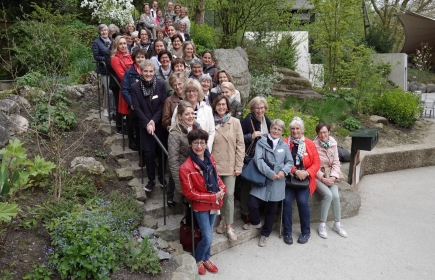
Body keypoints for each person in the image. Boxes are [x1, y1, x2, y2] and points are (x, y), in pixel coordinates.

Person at [179, 129, 226, 275]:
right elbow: (190, 193)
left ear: (206, 143)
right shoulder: (185, 168)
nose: (199, 146)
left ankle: (206, 258)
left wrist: (223, 188)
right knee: (207, 236)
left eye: (202, 142)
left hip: (214, 203)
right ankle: (198, 259)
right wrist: (212, 197)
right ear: (190, 144)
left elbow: (216, 177)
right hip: (201, 206)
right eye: (195, 142)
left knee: (209, 233)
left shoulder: (210, 158)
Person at [242, 119, 293, 247]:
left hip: (278, 182)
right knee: (252, 204)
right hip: (263, 178)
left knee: (272, 210)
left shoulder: (284, 145)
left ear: (282, 132)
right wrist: (270, 173)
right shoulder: (261, 142)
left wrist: (283, 172)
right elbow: (257, 160)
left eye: (279, 129)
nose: (276, 131)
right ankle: (256, 222)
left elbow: (290, 162)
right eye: (274, 128)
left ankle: (265, 235)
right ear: (270, 129)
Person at [130, 59, 168, 192]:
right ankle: (151, 180)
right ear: (141, 71)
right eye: (145, 71)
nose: (148, 74)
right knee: (149, 153)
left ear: (154, 71)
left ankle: (162, 177)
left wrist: (154, 121)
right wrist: (147, 123)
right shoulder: (135, 87)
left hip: (159, 125)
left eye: (151, 71)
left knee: (161, 152)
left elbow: (163, 104)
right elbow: (137, 107)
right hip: (145, 125)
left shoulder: (161, 85)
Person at [211, 95, 245, 242]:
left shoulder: (235, 122)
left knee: (229, 194)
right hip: (215, 165)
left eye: (224, 104)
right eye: (218, 105)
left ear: (228, 106)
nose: (221, 107)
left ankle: (229, 227)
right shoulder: (211, 122)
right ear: (215, 106)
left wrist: (239, 165)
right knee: (219, 195)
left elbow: (241, 145)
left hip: (230, 165)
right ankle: (222, 220)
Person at [282, 117, 320, 245]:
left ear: (302, 130)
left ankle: (305, 232)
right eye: (292, 128)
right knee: (286, 201)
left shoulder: (309, 143)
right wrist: (294, 171)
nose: (295, 131)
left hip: (305, 179)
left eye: (297, 128)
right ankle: (287, 232)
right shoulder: (285, 142)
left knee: (303, 202)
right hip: (289, 178)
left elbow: (316, 163)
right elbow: (281, 161)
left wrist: (306, 172)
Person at [239, 97, 271, 224]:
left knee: (260, 183)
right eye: (257, 108)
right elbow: (238, 138)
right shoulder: (247, 121)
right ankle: (244, 211)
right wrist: (250, 136)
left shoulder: (267, 121)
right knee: (247, 184)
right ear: (252, 109)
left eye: (262, 107)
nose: (260, 110)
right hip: (250, 158)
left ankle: (258, 209)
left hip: (264, 158)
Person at [314, 123, 348, 238]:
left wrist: (333, 177)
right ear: (317, 134)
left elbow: (336, 162)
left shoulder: (333, 143)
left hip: (330, 175)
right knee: (328, 195)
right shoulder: (314, 145)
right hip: (318, 176)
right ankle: (322, 225)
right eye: (320, 133)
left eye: (325, 132)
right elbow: (313, 165)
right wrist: (323, 178)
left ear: (329, 132)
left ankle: (337, 224)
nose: (323, 135)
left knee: (336, 196)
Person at [167, 101, 200, 207]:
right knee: (191, 207)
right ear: (180, 116)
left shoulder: (197, 128)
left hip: (199, 173)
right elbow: (173, 161)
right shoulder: (175, 134)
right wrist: (179, 184)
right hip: (186, 175)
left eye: (192, 113)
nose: (191, 116)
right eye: (187, 114)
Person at [171, 79, 215, 152]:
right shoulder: (179, 108)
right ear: (185, 93)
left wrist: (206, 149)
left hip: (202, 150)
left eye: (194, 90)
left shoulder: (207, 109)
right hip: (184, 152)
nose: (191, 93)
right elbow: (174, 127)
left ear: (199, 92)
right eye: (189, 91)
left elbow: (211, 132)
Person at [121, 48, 147, 151]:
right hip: (134, 106)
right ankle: (138, 149)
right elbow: (125, 90)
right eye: (138, 57)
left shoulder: (150, 71)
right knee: (136, 127)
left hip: (147, 106)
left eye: (142, 57)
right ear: (134, 58)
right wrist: (132, 103)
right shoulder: (129, 72)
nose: (140, 59)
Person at [111, 36, 133, 131]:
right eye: (120, 44)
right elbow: (122, 75)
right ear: (116, 45)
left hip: (134, 84)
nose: (123, 46)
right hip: (127, 85)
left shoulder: (130, 55)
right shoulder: (115, 59)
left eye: (124, 43)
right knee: (127, 109)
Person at [92, 24, 112, 117]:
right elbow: (96, 56)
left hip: (113, 69)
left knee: (113, 90)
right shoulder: (96, 42)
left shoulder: (112, 41)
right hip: (104, 69)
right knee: (108, 90)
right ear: (99, 32)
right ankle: (106, 109)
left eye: (105, 30)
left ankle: (113, 109)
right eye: (102, 30)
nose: (104, 32)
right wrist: (107, 59)